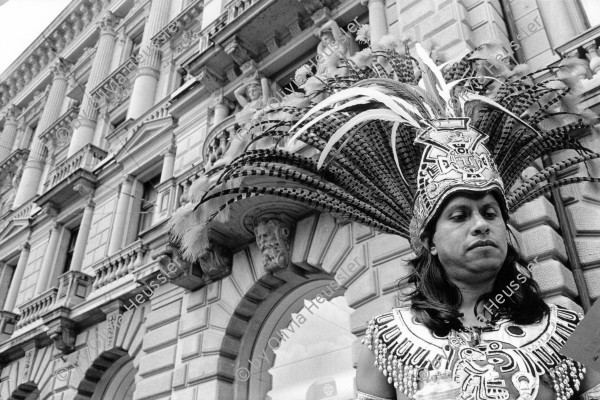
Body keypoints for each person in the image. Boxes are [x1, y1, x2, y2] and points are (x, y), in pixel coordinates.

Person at [168, 38, 600, 399]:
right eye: (459, 215)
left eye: (490, 212)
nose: (482, 224)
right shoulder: (389, 341)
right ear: (429, 240)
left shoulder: (565, 328)